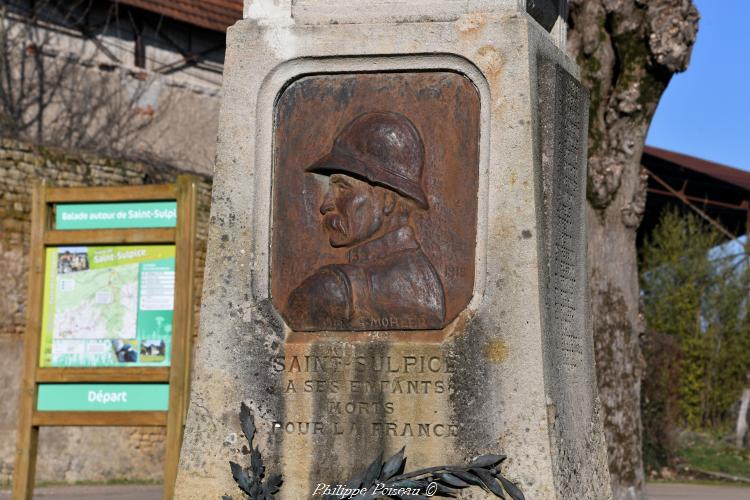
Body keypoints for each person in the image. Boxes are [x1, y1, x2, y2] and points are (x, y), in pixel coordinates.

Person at [284, 111, 445, 331]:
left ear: (388, 199)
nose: (325, 204)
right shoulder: (425, 280)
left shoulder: (331, 291)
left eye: (343, 187)